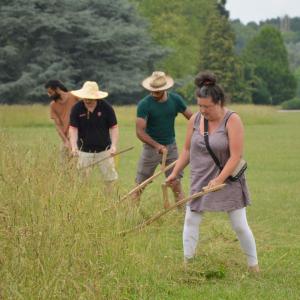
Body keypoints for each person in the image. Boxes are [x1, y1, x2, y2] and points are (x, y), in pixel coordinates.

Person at [166, 71, 259, 273]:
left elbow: (235, 156)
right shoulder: (195, 120)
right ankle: (187, 263)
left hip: (227, 178)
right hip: (200, 177)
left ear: (219, 102)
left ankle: (253, 266)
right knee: (191, 219)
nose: (202, 110)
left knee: (239, 225)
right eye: (199, 105)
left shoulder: (232, 120)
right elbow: (187, 150)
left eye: (207, 106)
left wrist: (219, 180)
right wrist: (175, 172)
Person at [134, 71, 193, 204]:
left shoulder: (175, 100)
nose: (154, 94)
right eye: (152, 91)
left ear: (165, 89)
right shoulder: (144, 104)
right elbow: (139, 132)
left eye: (157, 91)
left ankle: (182, 216)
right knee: (140, 183)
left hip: (171, 147)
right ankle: (130, 214)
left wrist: (202, 129)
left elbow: (192, 118)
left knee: (175, 183)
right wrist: (157, 146)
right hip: (151, 149)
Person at [69, 81, 119, 189]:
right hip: (84, 151)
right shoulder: (76, 108)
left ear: (96, 97)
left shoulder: (106, 107)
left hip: (104, 150)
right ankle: (81, 202)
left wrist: (114, 146)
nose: (87, 100)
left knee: (110, 179)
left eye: (90, 98)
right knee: (81, 181)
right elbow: (73, 129)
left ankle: (110, 200)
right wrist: (74, 146)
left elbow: (114, 127)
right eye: (85, 97)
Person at [45, 79, 78, 161]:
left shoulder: (74, 96)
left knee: (80, 164)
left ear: (57, 89)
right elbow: (58, 126)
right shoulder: (53, 105)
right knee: (63, 164)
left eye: (50, 92)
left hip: (80, 135)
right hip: (66, 137)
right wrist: (66, 141)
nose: (49, 95)